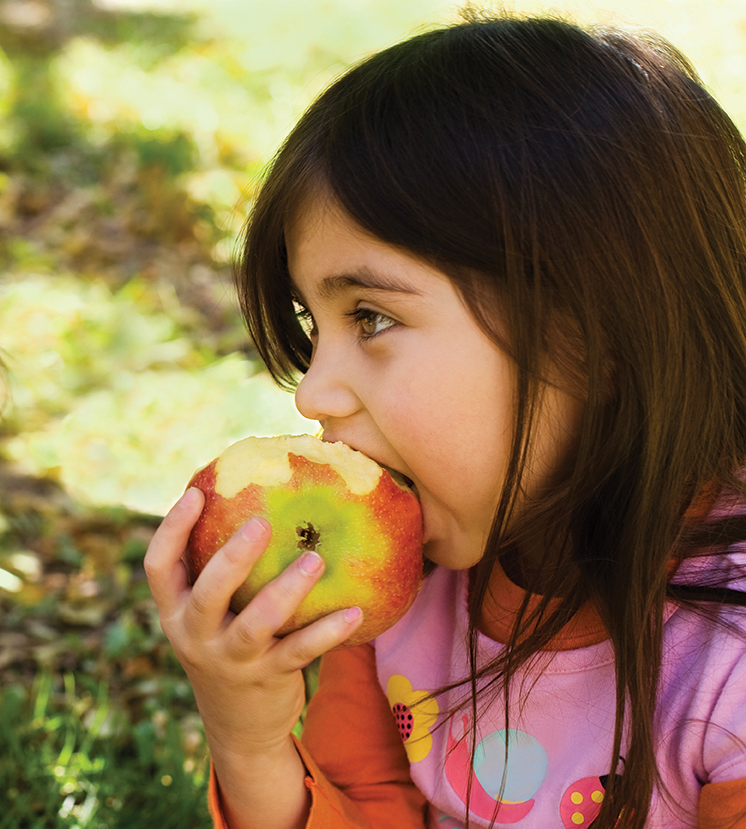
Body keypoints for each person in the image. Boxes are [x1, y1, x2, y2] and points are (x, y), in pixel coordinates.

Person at [145, 12, 746, 829]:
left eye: (372, 317)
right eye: (314, 326)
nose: (313, 393)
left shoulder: (727, 662)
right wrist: (249, 738)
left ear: (597, 337)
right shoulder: (394, 593)